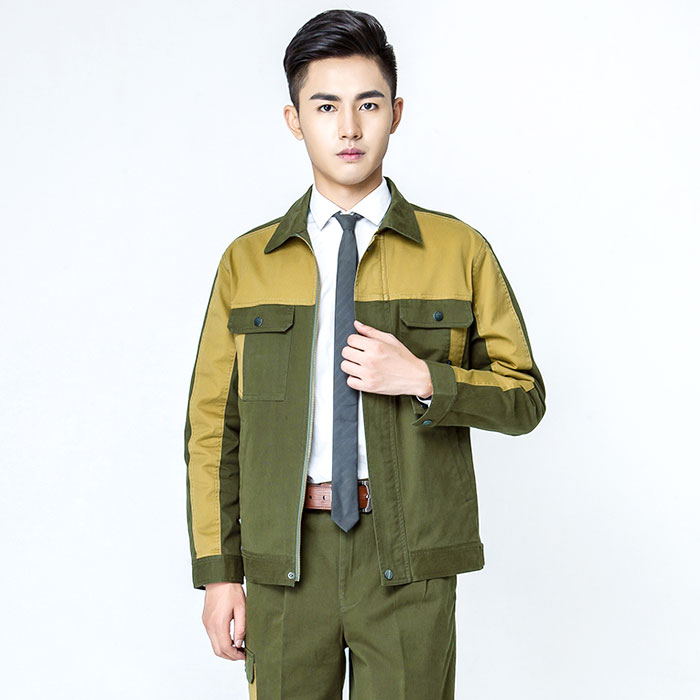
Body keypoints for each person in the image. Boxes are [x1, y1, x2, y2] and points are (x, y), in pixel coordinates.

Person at [184, 8, 546, 699]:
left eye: (368, 104)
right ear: (295, 120)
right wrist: (219, 573)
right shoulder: (248, 263)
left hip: (409, 558)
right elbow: (211, 431)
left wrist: (425, 378)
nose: (348, 127)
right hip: (286, 560)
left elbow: (525, 396)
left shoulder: (458, 250)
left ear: (396, 113)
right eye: (326, 106)